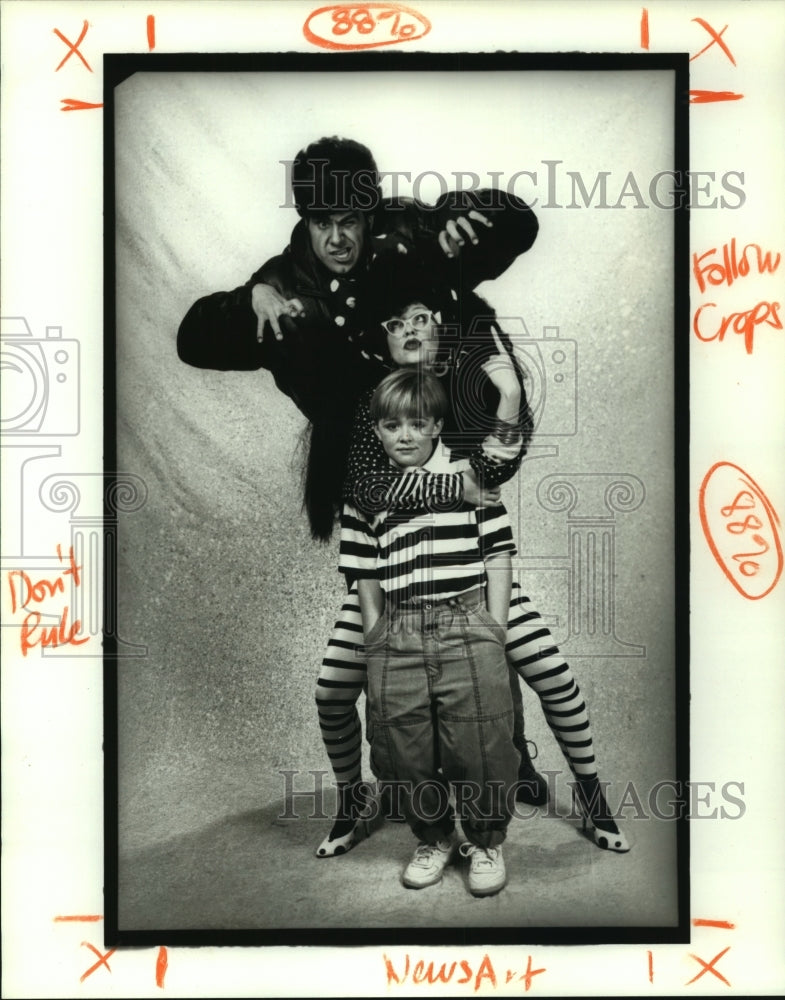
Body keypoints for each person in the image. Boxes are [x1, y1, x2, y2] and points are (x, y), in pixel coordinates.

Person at [315, 248, 630, 858]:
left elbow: (493, 475)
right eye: (394, 323)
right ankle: (355, 796)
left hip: (470, 584)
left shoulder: (462, 396)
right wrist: (456, 485)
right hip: (390, 588)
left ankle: (591, 792)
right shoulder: (371, 405)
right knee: (332, 690)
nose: (409, 330)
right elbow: (368, 490)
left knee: (553, 675)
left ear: (441, 327)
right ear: (382, 340)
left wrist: (508, 392)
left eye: (421, 318)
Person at [177, 136, 539, 541]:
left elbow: (521, 223)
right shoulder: (282, 285)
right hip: (362, 431)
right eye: (322, 223)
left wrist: (474, 215)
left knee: (476, 506)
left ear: (368, 216)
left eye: (348, 221)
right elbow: (190, 340)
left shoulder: (409, 229)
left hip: (456, 407)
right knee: (384, 529)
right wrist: (248, 300)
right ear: (306, 221)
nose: (336, 239)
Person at [340, 368, 519, 896]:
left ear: (437, 427)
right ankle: (434, 837)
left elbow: (499, 553)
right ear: (377, 431)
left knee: (482, 737)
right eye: (392, 425)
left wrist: (495, 626)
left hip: (465, 622)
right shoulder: (366, 496)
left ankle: (486, 840)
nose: (405, 435)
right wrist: (375, 639)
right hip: (397, 629)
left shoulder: (470, 481)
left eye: (418, 424)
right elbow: (366, 572)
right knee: (400, 744)